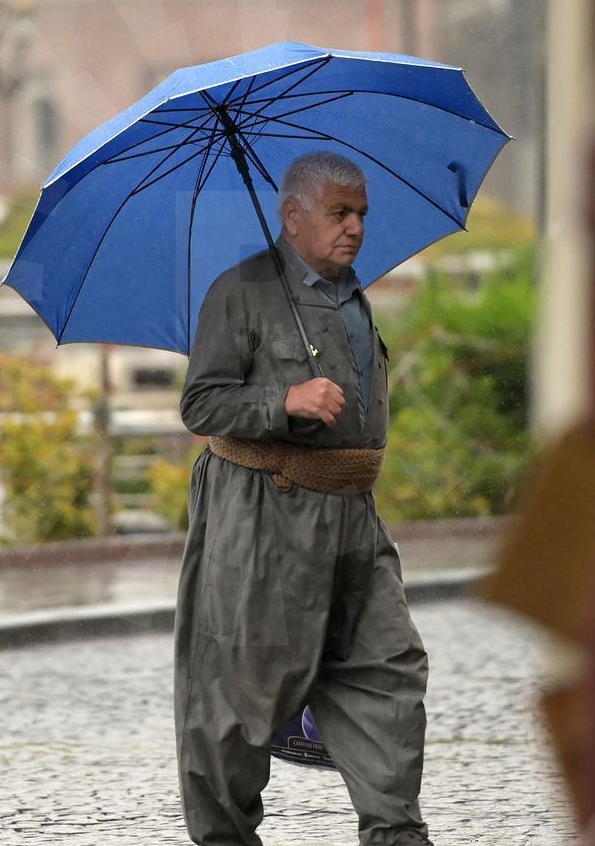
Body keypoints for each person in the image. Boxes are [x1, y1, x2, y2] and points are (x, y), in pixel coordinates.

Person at [174, 150, 432, 846]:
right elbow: (200, 403)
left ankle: (396, 832)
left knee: (389, 667)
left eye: (361, 214)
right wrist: (282, 400)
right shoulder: (240, 292)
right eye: (338, 213)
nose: (355, 228)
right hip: (264, 517)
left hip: (353, 519)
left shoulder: (352, 295)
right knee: (239, 692)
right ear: (292, 217)